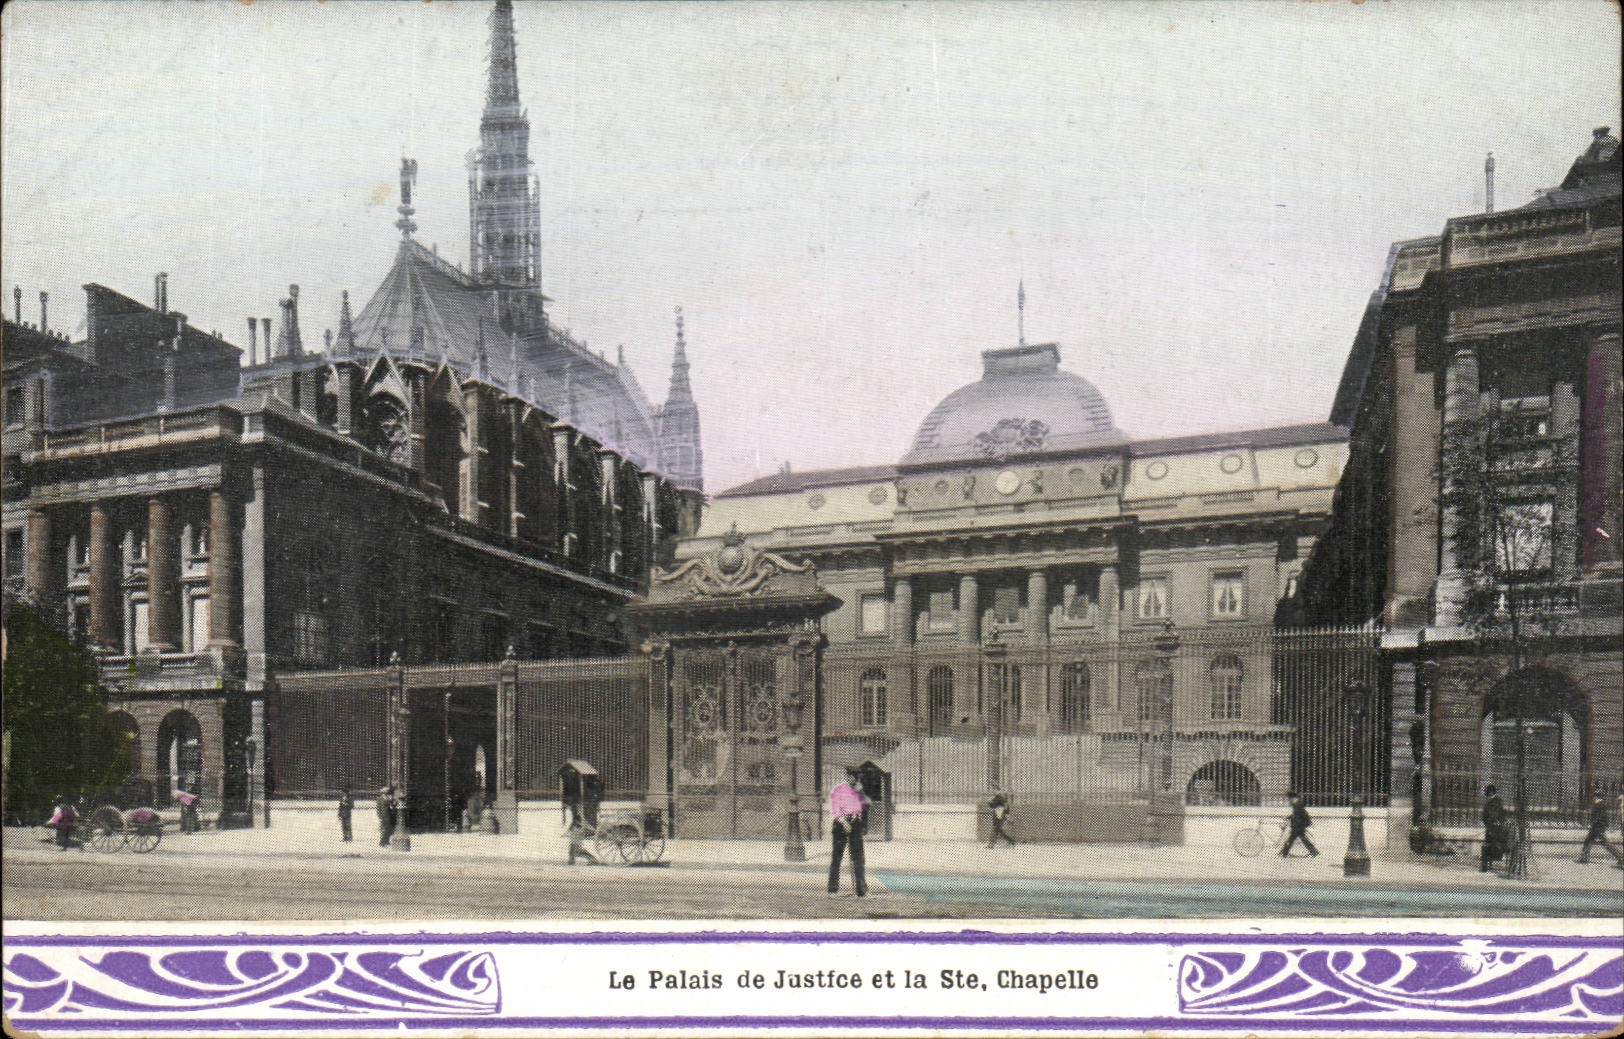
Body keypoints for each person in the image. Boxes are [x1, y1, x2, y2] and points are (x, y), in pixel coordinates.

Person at [827, 768, 870, 897]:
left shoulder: (858, 791)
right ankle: (832, 890)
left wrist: (861, 793)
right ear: (847, 776)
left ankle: (861, 890)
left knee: (858, 857)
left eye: (856, 777)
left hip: (855, 822)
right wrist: (844, 823)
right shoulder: (838, 789)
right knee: (837, 857)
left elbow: (865, 805)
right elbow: (835, 808)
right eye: (851, 776)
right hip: (841, 823)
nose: (853, 779)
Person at [1577, 794, 1622, 865]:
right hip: (1597, 827)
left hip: (1598, 827)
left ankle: (1621, 858)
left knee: (1605, 843)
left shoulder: (1600, 805)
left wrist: (1591, 824)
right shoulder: (1601, 805)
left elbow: (1598, 817)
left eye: (1595, 797)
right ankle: (1584, 858)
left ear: (1598, 798)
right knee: (1588, 841)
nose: (1594, 799)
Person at [1480, 784, 1507, 873]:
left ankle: (1491, 859)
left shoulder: (1498, 803)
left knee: (1494, 844)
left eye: (1489, 794)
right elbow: (1484, 816)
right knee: (1487, 844)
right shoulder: (1488, 803)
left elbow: (1502, 815)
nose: (1488, 797)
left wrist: (1498, 822)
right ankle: (1487, 863)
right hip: (1490, 828)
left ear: (1492, 793)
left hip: (1497, 829)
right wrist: (1488, 824)